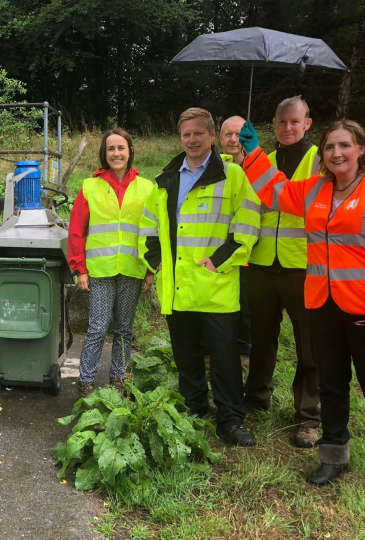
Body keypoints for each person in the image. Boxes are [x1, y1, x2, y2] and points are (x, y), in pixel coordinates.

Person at [240, 119, 365, 508]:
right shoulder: (316, 190)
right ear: (322, 155)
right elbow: (275, 193)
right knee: (332, 385)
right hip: (322, 305)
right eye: (329, 147)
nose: (336, 153)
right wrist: (252, 153)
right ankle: (333, 457)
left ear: (361, 149)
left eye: (344, 145)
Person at [139, 108, 261, 447]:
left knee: (224, 358)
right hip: (177, 287)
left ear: (212, 137)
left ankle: (230, 420)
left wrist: (220, 259)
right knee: (187, 356)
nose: (192, 140)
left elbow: (248, 222)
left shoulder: (233, 176)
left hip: (216, 286)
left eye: (198, 133)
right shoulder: (165, 179)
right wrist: (155, 260)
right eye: (186, 135)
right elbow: (148, 226)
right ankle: (194, 411)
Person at [241, 96, 322, 449]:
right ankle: (257, 398)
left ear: (308, 124)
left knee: (309, 345)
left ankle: (308, 417)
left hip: (301, 265)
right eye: (281, 122)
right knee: (260, 338)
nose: (287, 128)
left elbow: (309, 205)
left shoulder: (319, 160)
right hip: (261, 264)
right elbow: (250, 210)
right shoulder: (265, 161)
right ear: (273, 125)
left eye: (294, 122)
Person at [67, 128, 155, 398]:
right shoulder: (90, 186)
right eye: (110, 149)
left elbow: (153, 232)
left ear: (130, 151)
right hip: (101, 271)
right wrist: (79, 269)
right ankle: (86, 382)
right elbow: (76, 231)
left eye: (121, 148)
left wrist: (151, 269)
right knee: (97, 327)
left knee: (124, 330)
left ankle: (119, 380)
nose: (116, 153)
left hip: (132, 269)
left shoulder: (147, 188)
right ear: (104, 154)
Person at [218, 115, 251, 376]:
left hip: (253, 258)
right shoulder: (214, 170)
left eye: (239, 133)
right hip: (220, 257)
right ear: (219, 138)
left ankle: (245, 365)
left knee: (248, 316)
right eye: (228, 134)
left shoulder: (261, 167)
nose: (233, 139)